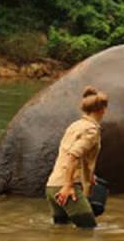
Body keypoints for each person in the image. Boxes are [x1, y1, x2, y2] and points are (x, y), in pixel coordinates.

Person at [45, 86, 107, 228]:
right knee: (88, 231)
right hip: (68, 189)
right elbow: (73, 155)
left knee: (61, 231)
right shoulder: (92, 130)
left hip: (52, 186)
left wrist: (89, 175)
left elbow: (68, 154)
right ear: (102, 110)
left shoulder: (75, 125)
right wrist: (68, 186)